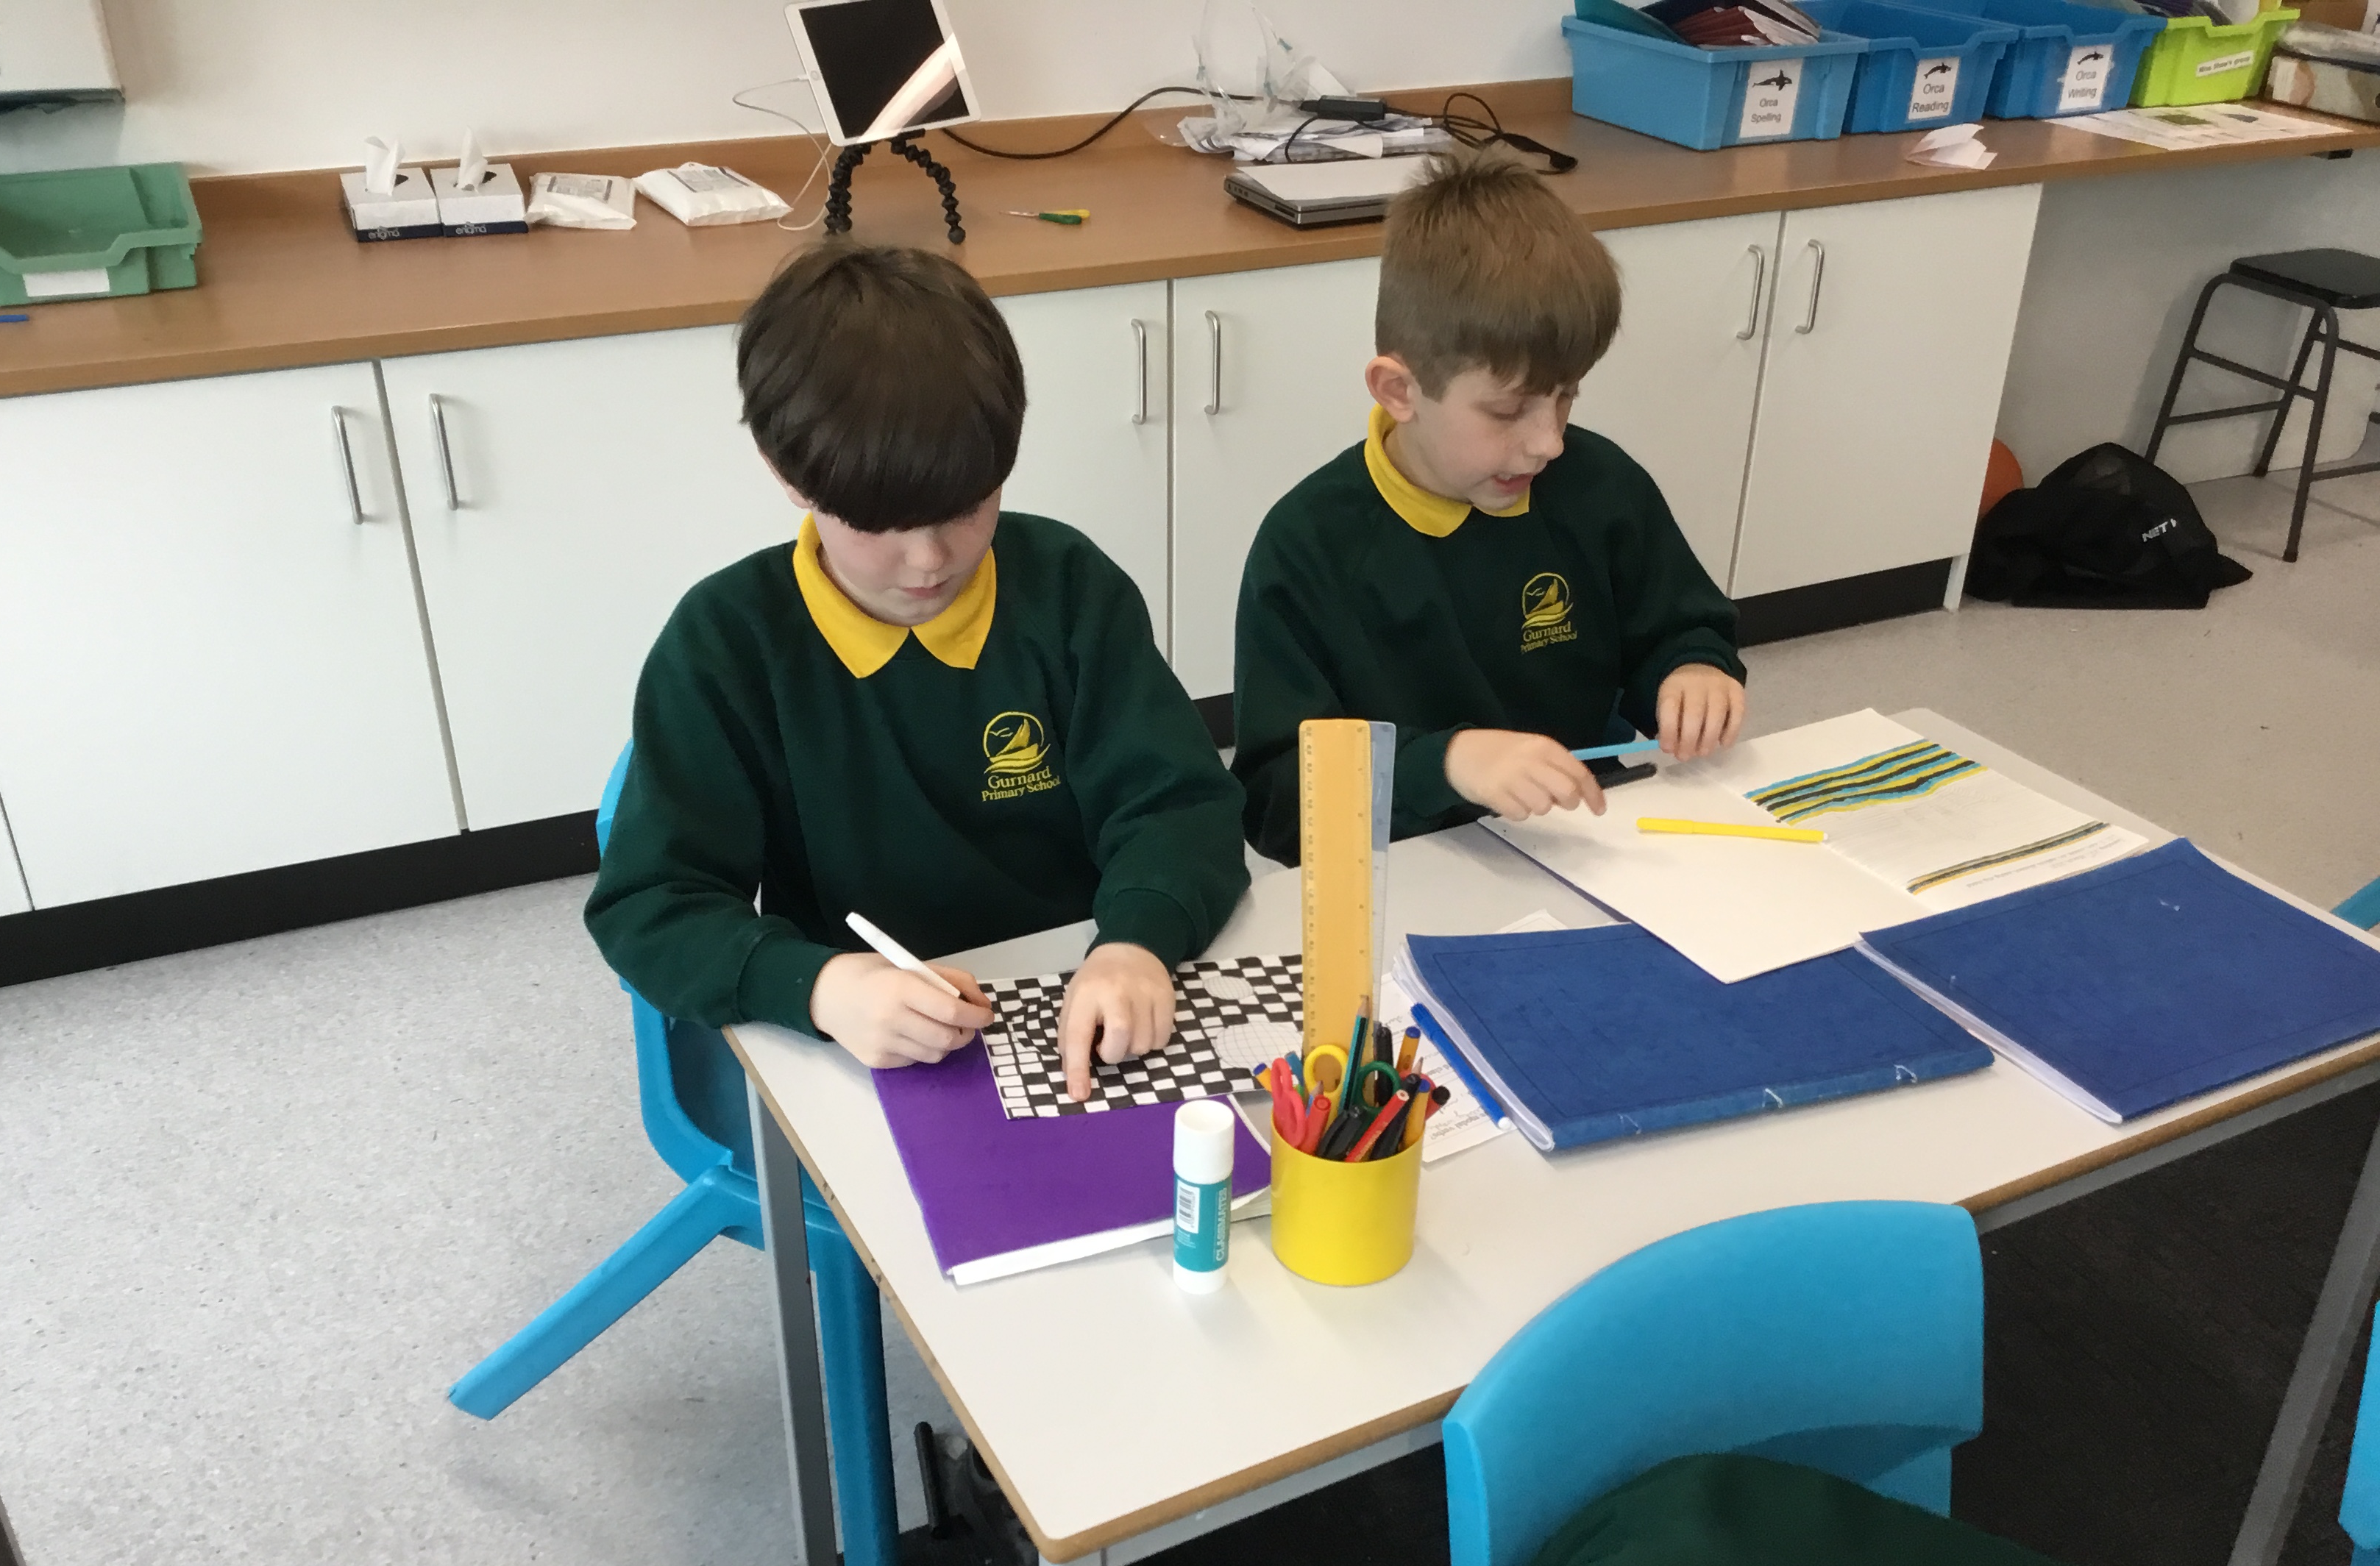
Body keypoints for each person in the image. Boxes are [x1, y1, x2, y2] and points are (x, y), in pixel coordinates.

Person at [588, 239, 1246, 1101]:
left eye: (967, 508)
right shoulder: (726, 643)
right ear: (790, 476)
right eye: (880, 525)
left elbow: (1181, 805)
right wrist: (819, 987)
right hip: (864, 1043)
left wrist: (1137, 942)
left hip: (1081, 999)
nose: (930, 560)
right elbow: (652, 906)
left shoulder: (1069, 590)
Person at [1232, 145, 1749, 864]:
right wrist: (1445, 764)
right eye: (1508, 411)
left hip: (1587, 842)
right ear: (1399, 391)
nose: (1549, 443)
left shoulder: (1600, 487)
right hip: (1412, 866)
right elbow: (1276, 802)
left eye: (1567, 397)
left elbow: (1677, 628)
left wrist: (1693, 670)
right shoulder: (1308, 545)